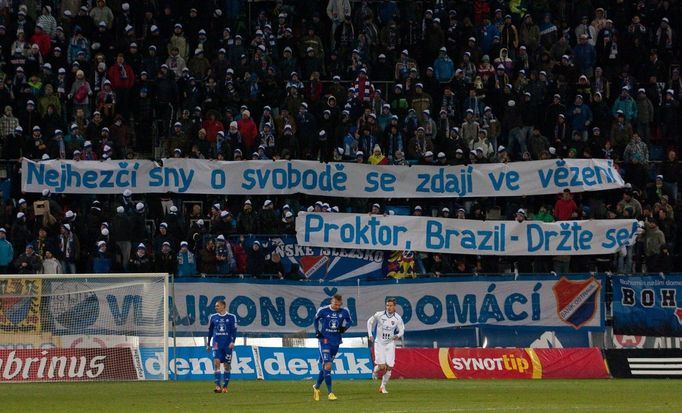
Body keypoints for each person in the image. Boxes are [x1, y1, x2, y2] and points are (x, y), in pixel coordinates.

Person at [312, 294, 352, 401]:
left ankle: (316, 387)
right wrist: (317, 332)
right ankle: (330, 393)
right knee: (328, 365)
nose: (336, 306)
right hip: (324, 340)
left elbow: (349, 321)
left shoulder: (344, 311)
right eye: (335, 304)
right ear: (331, 301)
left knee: (325, 366)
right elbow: (315, 319)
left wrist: (345, 328)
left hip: (336, 341)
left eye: (339, 305)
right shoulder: (323, 310)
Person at [367, 297, 405, 394]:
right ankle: (375, 371)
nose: (389, 307)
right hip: (379, 343)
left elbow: (402, 330)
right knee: (382, 367)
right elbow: (369, 322)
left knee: (390, 366)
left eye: (391, 305)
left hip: (390, 344)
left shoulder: (397, 318)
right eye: (387, 305)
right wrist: (370, 334)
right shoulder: (379, 314)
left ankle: (382, 387)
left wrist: (397, 335)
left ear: (394, 306)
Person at [206, 299, 237, 393]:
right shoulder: (213, 317)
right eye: (215, 306)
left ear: (223, 306)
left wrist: (233, 342)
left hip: (227, 345)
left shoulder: (232, 317)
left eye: (217, 306)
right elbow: (210, 331)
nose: (216, 307)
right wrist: (208, 344)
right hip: (216, 344)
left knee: (227, 366)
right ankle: (218, 386)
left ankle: (225, 386)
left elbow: (234, 331)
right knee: (216, 364)